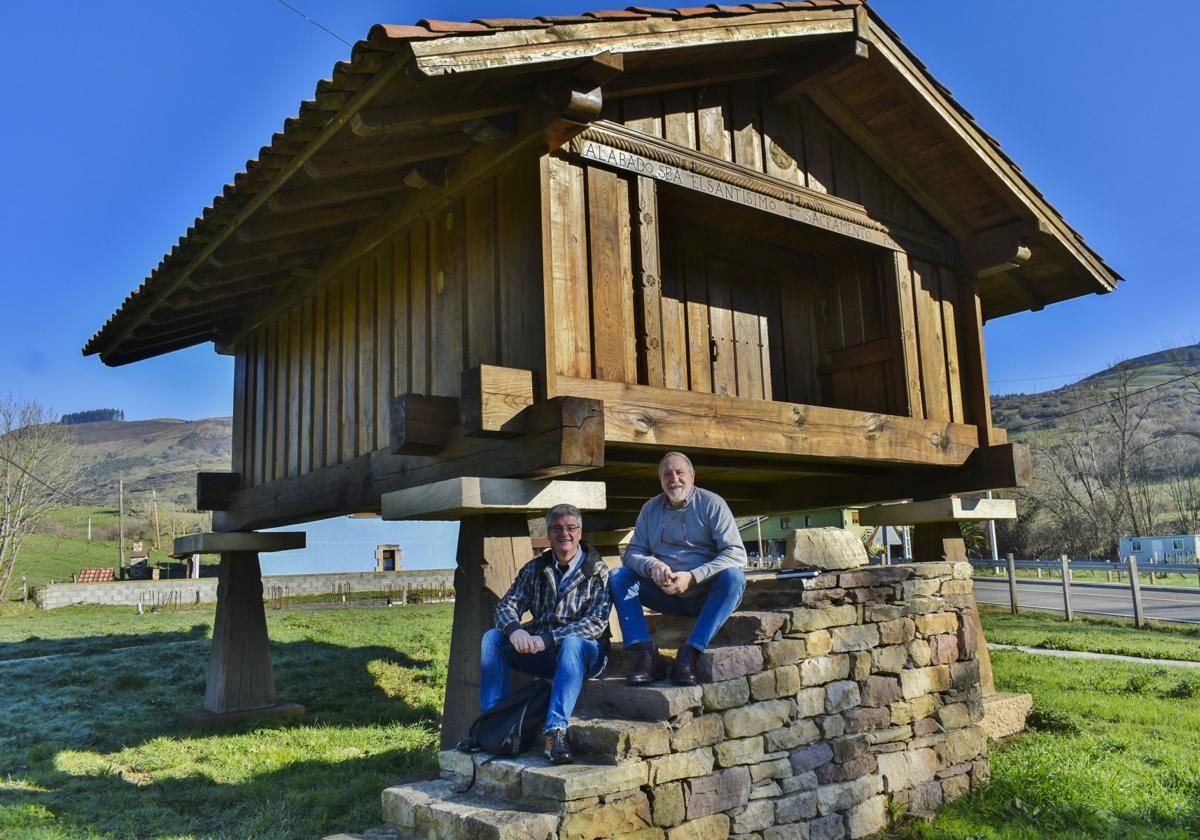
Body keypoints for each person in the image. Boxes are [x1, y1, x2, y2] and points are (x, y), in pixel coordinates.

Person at [480, 503, 610, 764]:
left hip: (586, 654)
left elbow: (596, 623)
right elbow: (507, 605)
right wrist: (515, 629)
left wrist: (549, 639)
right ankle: (493, 723)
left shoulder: (597, 571)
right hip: (542, 652)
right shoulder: (534, 569)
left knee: (574, 642)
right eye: (557, 528)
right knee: (492, 639)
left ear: (580, 532)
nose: (565, 533)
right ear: (549, 534)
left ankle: (555, 731)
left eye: (571, 528)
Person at [609, 451, 747, 686]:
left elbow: (736, 554)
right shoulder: (649, 510)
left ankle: (691, 652)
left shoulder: (712, 504)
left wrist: (693, 577)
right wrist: (653, 565)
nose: (674, 478)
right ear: (660, 480)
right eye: (667, 474)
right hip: (664, 594)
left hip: (705, 594)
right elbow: (632, 553)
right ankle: (646, 653)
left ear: (692, 476)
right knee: (618, 576)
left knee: (734, 577)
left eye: (679, 472)